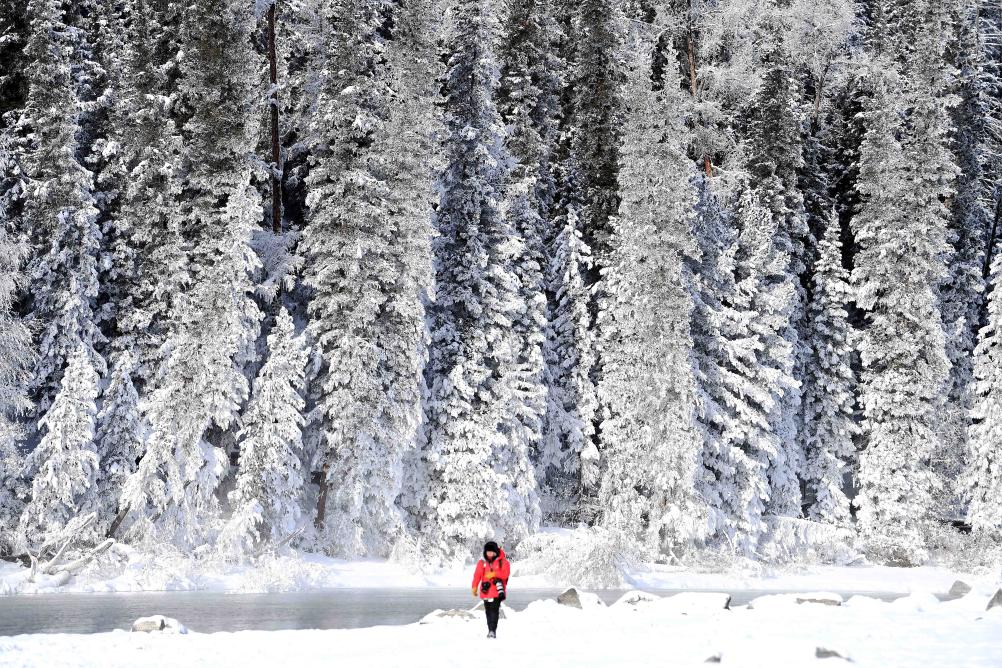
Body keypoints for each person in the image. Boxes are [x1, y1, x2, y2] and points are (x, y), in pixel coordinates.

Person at [471, 540, 510, 638]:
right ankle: (490, 630)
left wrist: (494, 574)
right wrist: (474, 587)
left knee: (494, 610)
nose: (489, 554)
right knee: (488, 611)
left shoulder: (503, 561)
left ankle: (492, 631)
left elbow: (505, 574)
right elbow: (477, 576)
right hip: (486, 591)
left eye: (491, 552)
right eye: (488, 552)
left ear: (495, 551)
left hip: (497, 591)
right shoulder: (482, 562)